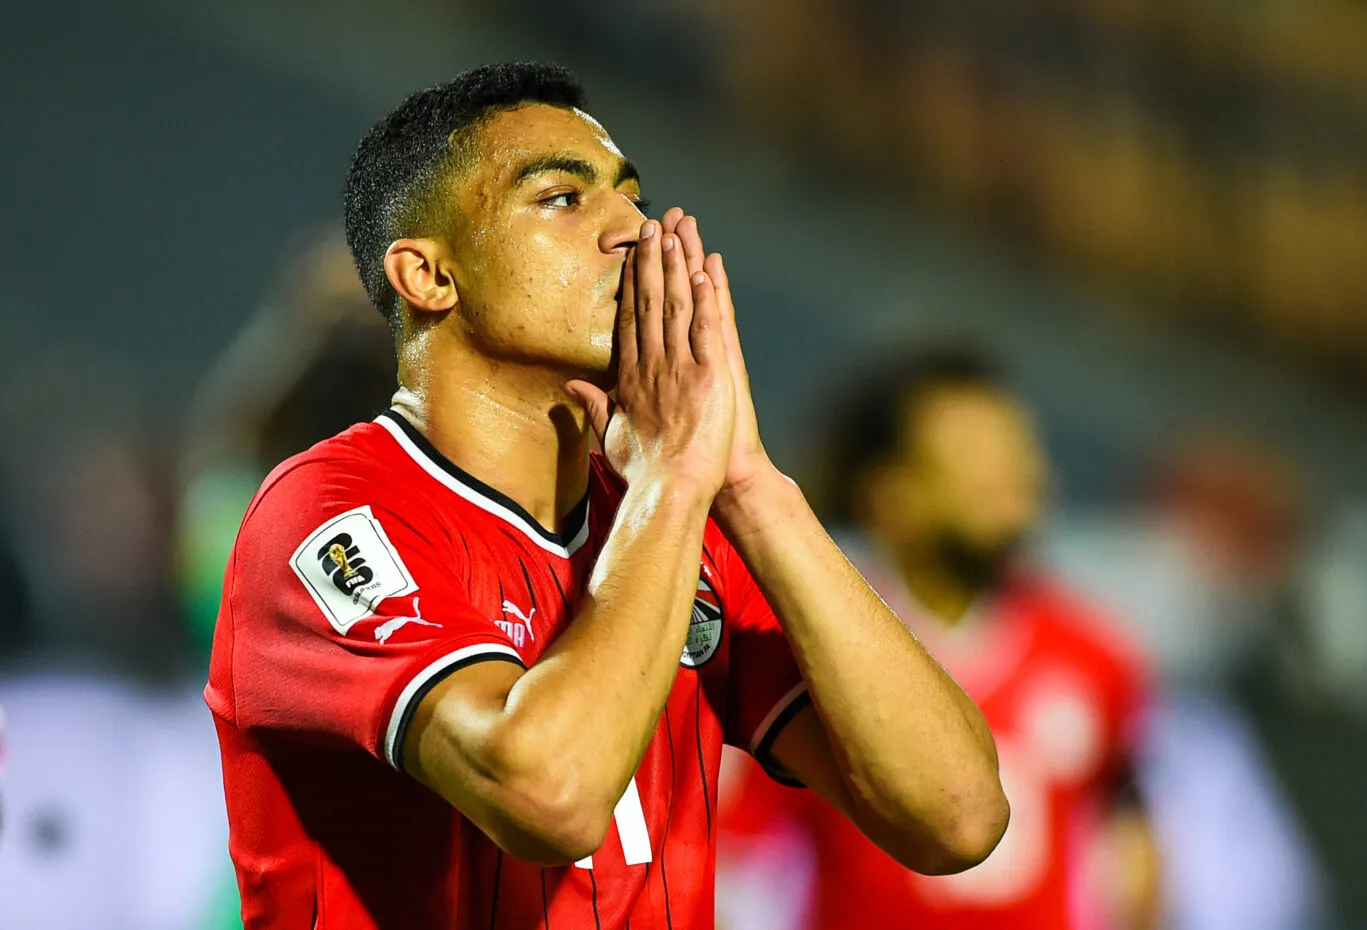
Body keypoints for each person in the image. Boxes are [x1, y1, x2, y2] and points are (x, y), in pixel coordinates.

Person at [206, 62, 1009, 930]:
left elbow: (958, 818)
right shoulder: (330, 514)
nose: (632, 229)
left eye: (632, 196)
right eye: (561, 198)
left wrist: (749, 483)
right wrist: (672, 482)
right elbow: (548, 795)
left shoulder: (675, 510)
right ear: (429, 276)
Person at [717, 348, 1157, 930]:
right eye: (975, 452)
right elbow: (736, 855)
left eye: (1016, 445)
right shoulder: (818, 651)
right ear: (892, 494)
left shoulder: (1096, 655)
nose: (1013, 471)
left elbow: (1129, 842)